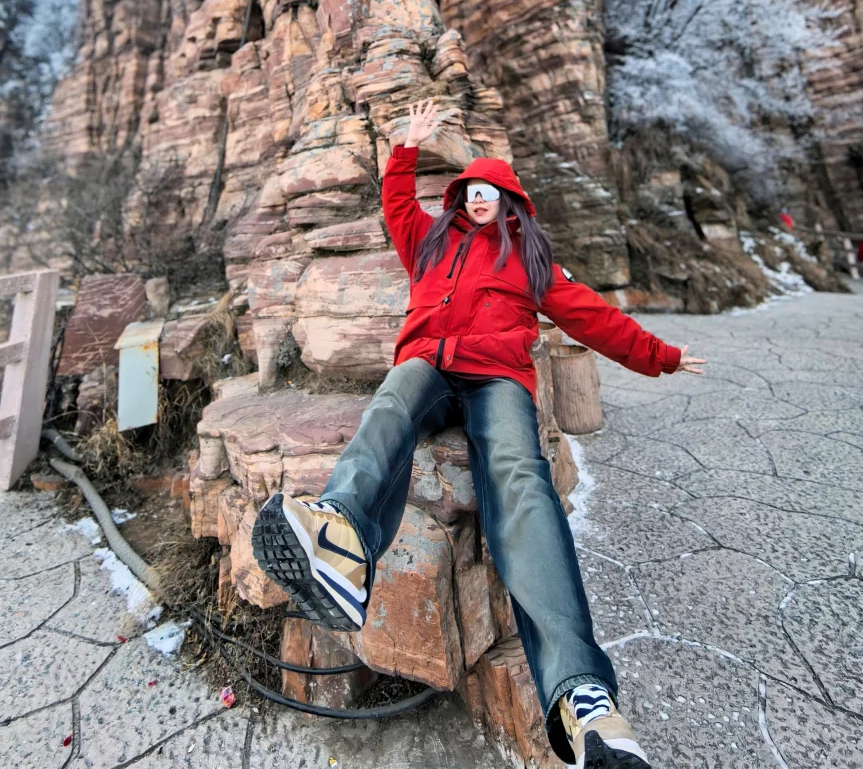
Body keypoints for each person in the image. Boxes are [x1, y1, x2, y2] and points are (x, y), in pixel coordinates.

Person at [253, 100, 705, 767]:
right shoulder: (429, 241)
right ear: (461, 197)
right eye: (471, 191)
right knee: (391, 402)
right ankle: (339, 540)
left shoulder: (530, 260)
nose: (480, 199)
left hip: (498, 379)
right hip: (430, 366)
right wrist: (405, 149)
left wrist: (660, 356)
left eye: (492, 192)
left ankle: (581, 697)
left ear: (510, 201)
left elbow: (594, 318)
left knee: (522, 482)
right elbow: (397, 206)